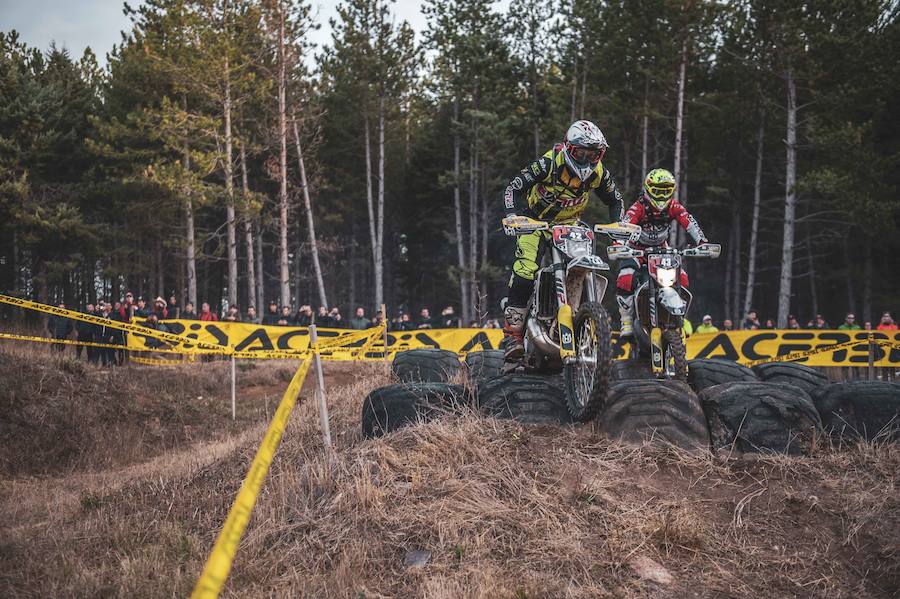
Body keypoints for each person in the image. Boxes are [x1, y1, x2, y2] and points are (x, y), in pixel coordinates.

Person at [501, 120, 624, 363]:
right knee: (525, 271)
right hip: (535, 222)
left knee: (584, 267)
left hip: (570, 225)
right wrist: (512, 215)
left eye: (593, 154)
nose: (586, 159)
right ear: (569, 148)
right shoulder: (548, 163)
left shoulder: (598, 173)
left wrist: (618, 226)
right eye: (581, 152)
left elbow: (615, 200)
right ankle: (512, 335)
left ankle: (580, 318)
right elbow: (513, 188)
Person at [614, 168, 707, 339]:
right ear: (648, 189)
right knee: (625, 277)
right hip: (637, 249)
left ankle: (679, 319)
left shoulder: (674, 207)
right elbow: (625, 225)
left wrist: (701, 241)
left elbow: (689, 222)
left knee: (683, 278)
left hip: (662, 249)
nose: (662, 195)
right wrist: (619, 243)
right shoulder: (639, 207)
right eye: (658, 191)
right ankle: (626, 320)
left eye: (666, 191)